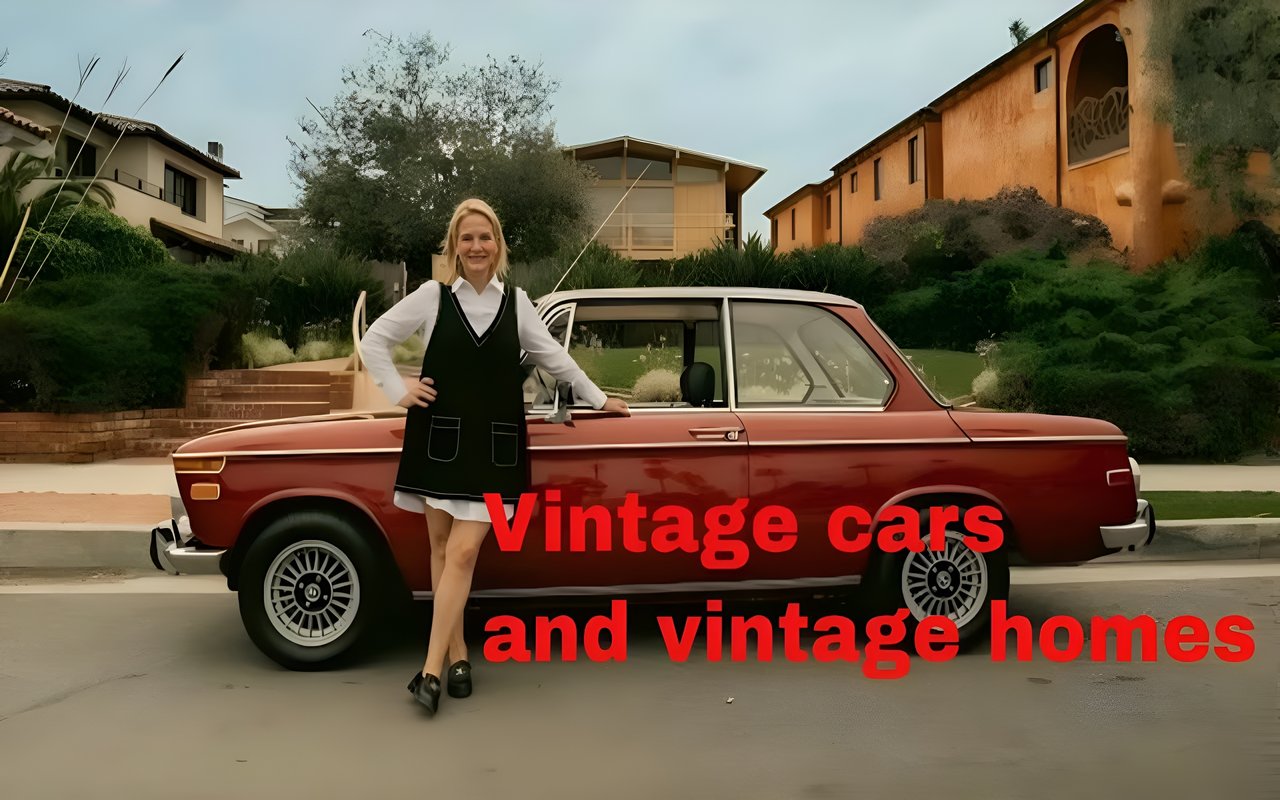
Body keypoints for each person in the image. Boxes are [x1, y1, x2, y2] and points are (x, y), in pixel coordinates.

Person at [360, 198, 630, 715]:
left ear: (498, 244)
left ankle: (430, 670)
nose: (476, 246)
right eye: (467, 238)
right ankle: (458, 654)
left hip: (496, 449)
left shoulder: (518, 303)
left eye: (485, 237)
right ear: (454, 247)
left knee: (462, 553)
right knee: (441, 550)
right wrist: (398, 390)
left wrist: (599, 400)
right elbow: (375, 341)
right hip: (438, 439)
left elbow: (554, 357)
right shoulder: (432, 297)